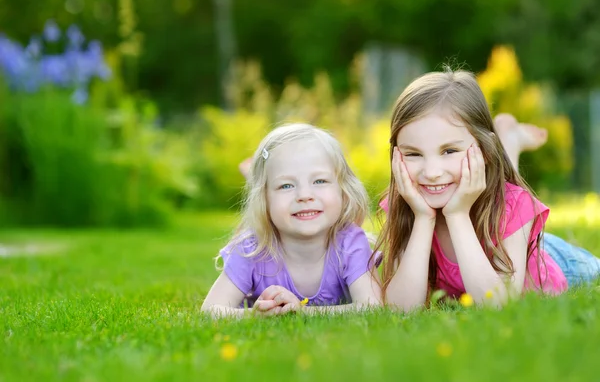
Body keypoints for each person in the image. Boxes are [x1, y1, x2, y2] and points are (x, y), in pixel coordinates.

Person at [376, 69, 600, 311]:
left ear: (483, 149)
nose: (431, 172)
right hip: (508, 235)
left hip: (556, 259)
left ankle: (509, 140)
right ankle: (510, 139)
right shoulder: (407, 204)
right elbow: (400, 309)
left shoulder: (513, 206)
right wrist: (422, 218)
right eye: (413, 154)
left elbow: (496, 304)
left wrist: (458, 215)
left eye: (449, 151)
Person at [201, 123, 381, 318]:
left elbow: (372, 307)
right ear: (264, 198)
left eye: (319, 181)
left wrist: (301, 311)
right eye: (286, 185)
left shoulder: (351, 244)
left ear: (343, 191)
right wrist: (253, 315)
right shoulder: (252, 249)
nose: (304, 195)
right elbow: (210, 310)